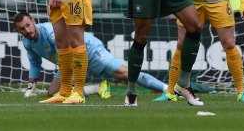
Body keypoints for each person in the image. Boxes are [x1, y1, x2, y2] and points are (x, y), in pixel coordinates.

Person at [13, 13, 168, 99]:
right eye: (22, 29)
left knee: (124, 73)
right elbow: (34, 63)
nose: (27, 30)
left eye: (28, 25)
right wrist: (31, 84)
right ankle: (97, 88)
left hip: (89, 50)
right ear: (19, 31)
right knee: (53, 93)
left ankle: (168, 89)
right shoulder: (27, 43)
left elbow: (71, 50)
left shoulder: (49, 31)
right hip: (69, 63)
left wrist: (71, 76)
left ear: (33, 21)